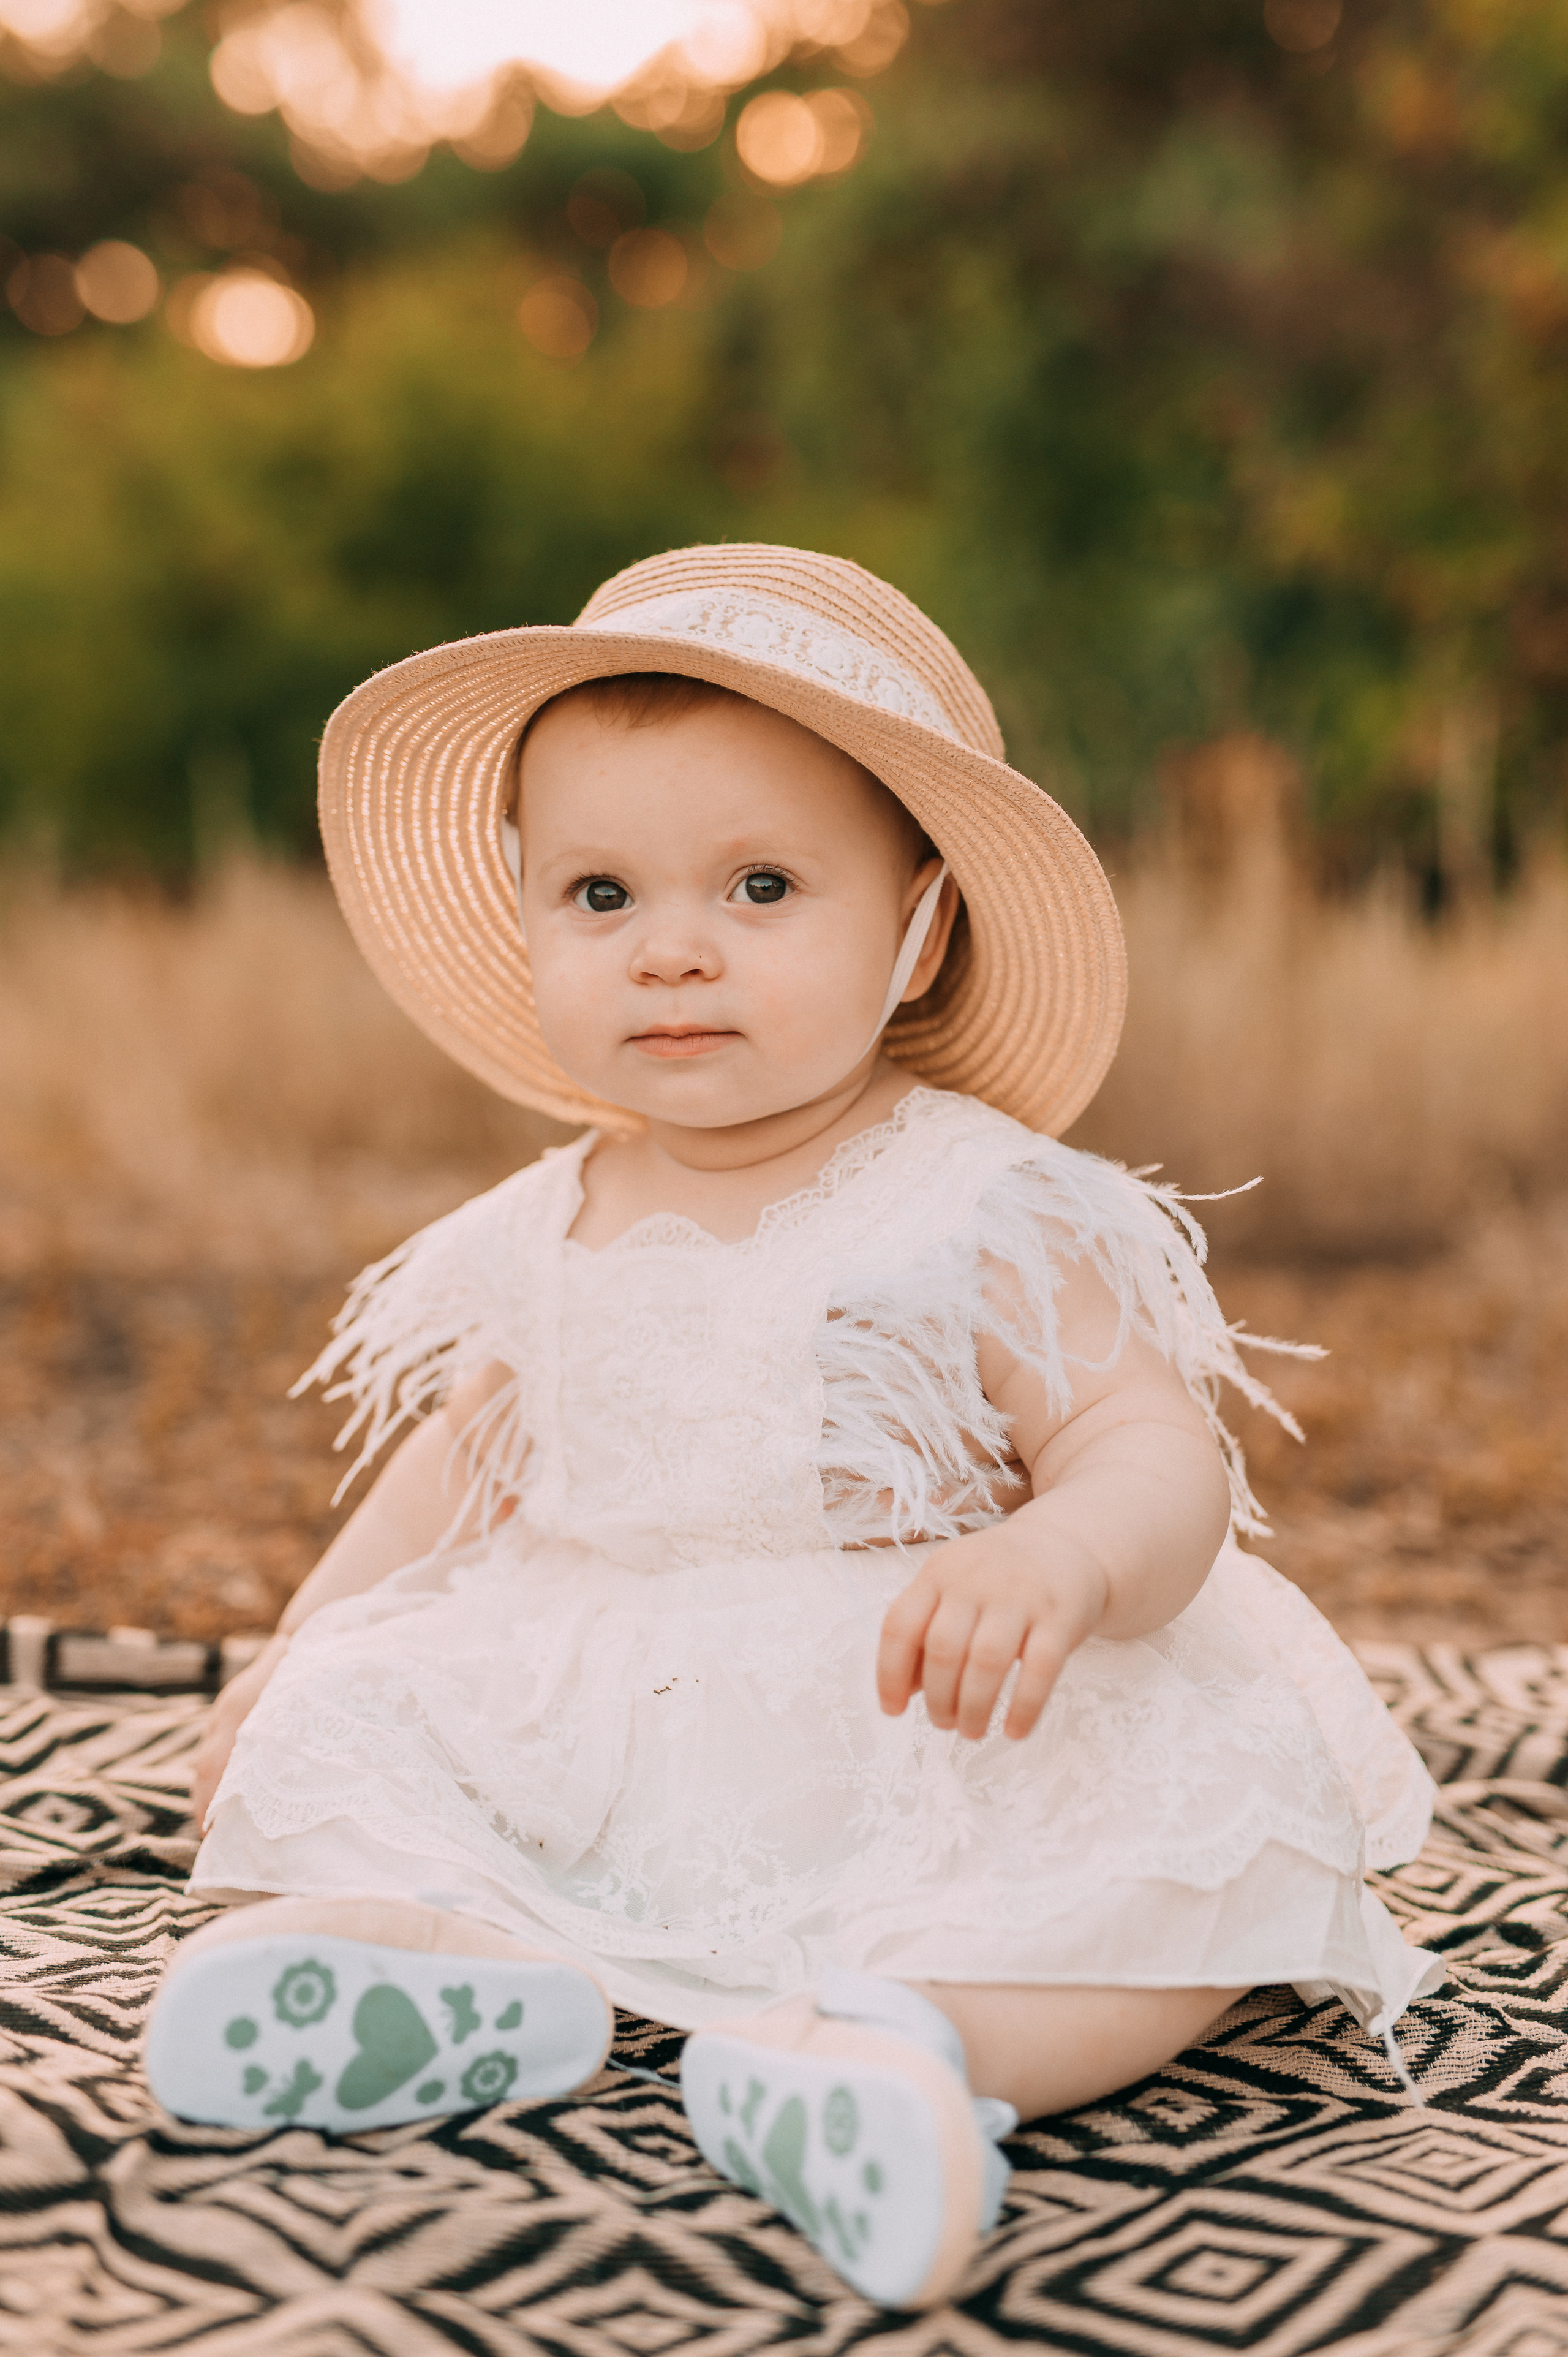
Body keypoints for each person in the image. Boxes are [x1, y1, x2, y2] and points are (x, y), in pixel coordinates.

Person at [145, 544, 1440, 2312]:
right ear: (529, 919)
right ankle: (450, 1977)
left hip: (926, 1706)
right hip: (603, 1710)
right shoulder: (546, 1220)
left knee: (1202, 1868)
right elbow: (454, 1474)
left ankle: (888, 2044)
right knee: (359, 1735)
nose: (674, 947)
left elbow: (1155, 1451)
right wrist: (292, 1662)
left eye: (762, 886)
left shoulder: (976, 1206)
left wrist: (1058, 1555)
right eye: (600, 896)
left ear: (919, 930)